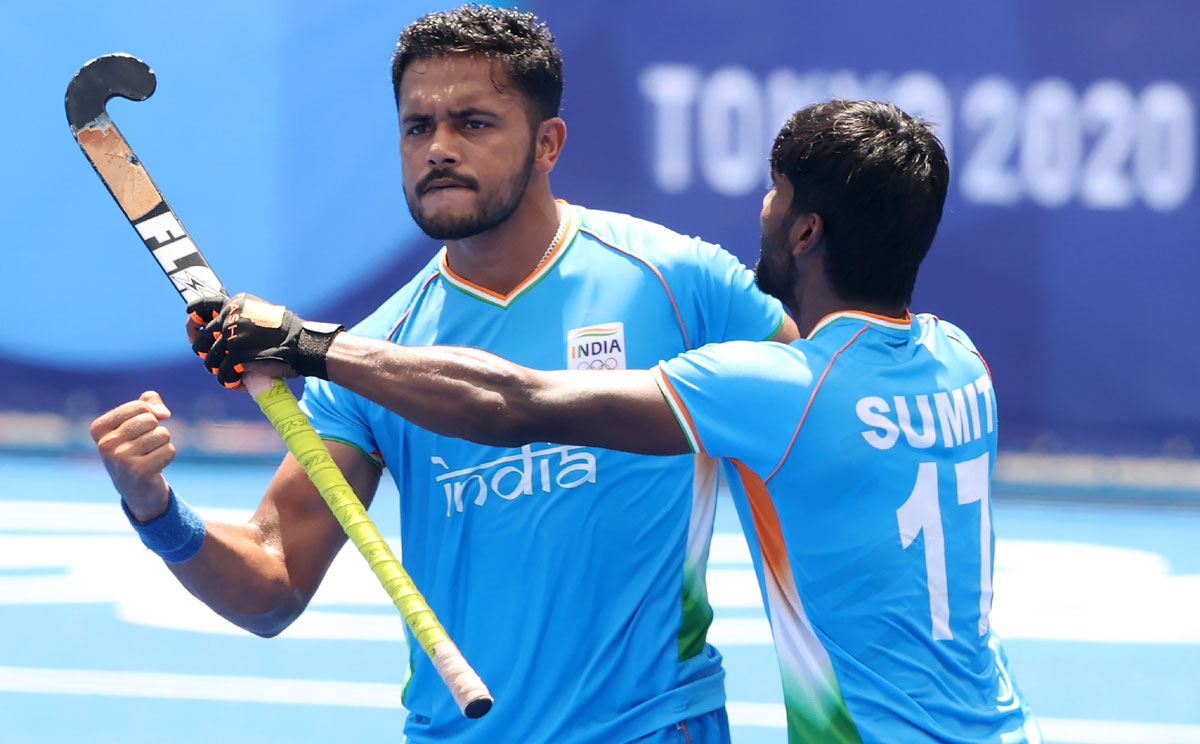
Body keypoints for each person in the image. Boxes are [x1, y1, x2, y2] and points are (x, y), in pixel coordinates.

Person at [187, 99, 1041, 743]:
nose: (762, 214)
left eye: (775, 198)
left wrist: (307, 346)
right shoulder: (961, 363)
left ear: (807, 230)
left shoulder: (773, 390)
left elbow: (513, 404)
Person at [89, 5, 797, 744]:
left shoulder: (680, 283)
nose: (438, 148)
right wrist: (154, 508)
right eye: (417, 126)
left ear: (548, 143)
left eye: (474, 123)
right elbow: (273, 584)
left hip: (654, 728)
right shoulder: (374, 352)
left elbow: (824, 404)